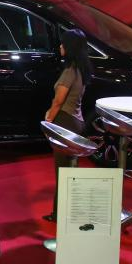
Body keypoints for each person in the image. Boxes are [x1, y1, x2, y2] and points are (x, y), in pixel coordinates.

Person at [43, 29, 93, 222]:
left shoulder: (70, 71)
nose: (60, 46)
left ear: (70, 47)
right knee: (69, 171)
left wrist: (49, 119)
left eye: (63, 43)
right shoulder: (81, 69)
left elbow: (59, 100)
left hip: (65, 122)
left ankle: (60, 215)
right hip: (76, 122)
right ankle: (66, 212)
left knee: (63, 172)